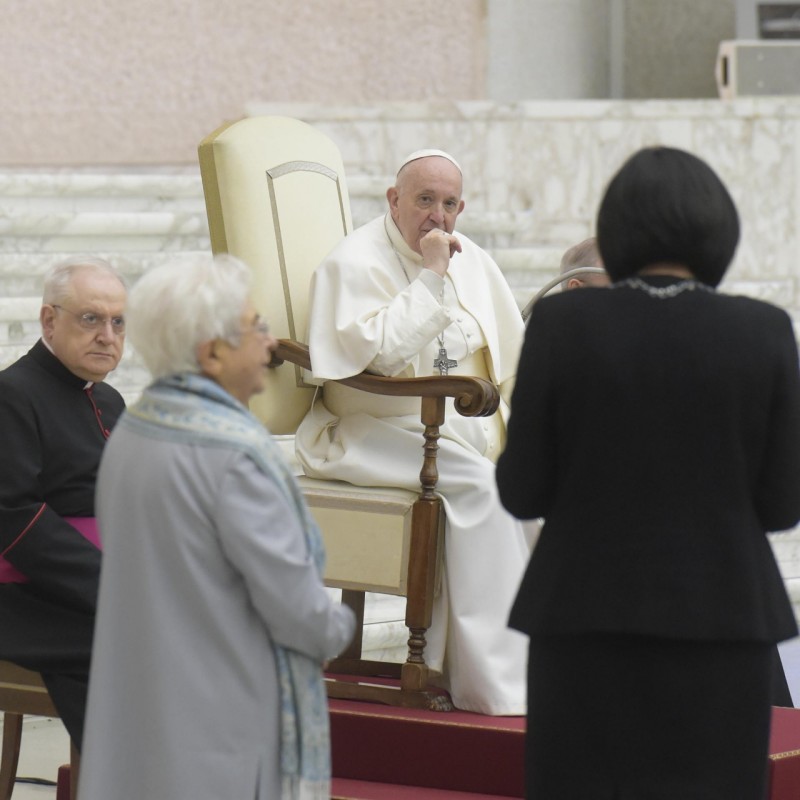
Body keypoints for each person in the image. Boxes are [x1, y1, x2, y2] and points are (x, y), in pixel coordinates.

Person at [497, 145, 800, 799]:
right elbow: (783, 505)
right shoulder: (765, 331)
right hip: (723, 621)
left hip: (582, 618)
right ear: (719, 229)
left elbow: (521, 490)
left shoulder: (562, 325)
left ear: (616, 229)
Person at [80, 254, 356, 800]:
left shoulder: (134, 429)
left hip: (141, 708)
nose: (270, 343)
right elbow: (297, 608)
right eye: (256, 327)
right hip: (220, 722)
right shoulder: (235, 455)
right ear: (211, 353)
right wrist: (337, 628)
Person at [295, 148, 530, 715]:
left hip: (457, 431)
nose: (437, 216)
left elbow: (514, 353)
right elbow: (379, 360)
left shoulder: (474, 260)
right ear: (394, 200)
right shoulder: (353, 262)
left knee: (534, 489)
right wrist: (431, 277)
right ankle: (498, 687)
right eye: (424, 200)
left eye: (449, 203)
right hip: (371, 429)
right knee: (483, 490)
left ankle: (507, 667)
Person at [0, 256, 127, 750]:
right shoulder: (12, 394)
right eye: (91, 318)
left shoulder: (110, 401)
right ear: (49, 321)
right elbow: (14, 517)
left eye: (118, 322)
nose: (107, 336)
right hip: (26, 596)